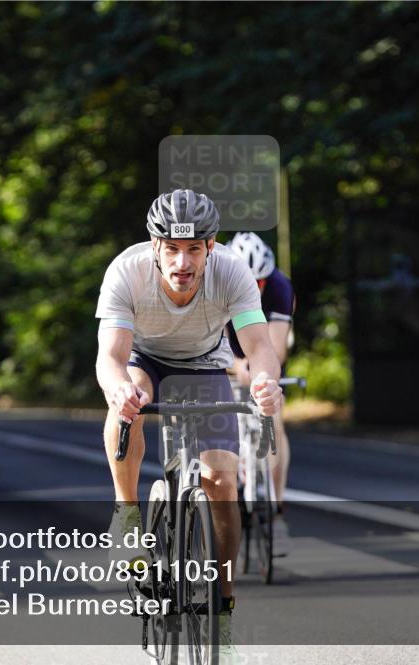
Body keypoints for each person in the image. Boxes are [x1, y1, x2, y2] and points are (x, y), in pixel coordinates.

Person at [95, 188, 282, 656]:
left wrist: (264, 383)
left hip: (203, 365)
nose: (182, 261)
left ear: (211, 247)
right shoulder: (126, 270)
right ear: (154, 245)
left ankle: (222, 612)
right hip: (145, 359)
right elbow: (111, 355)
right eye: (172, 248)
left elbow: (259, 346)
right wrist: (119, 388)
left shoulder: (232, 272)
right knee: (129, 404)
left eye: (194, 248)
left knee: (222, 480)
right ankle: (128, 514)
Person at [225, 232, 297, 554]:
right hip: (226, 355)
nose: (255, 290)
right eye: (248, 283)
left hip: (260, 355)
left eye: (260, 284)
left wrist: (260, 373)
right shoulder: (216, 282)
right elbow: (206, 343)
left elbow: (277, 348)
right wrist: (235, 367)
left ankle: (276, 512)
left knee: (275, 422)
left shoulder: (280, 287)